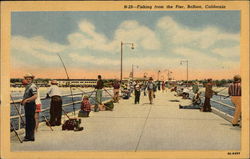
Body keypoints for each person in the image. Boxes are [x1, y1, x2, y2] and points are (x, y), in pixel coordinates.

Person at [21, 73, 37, 141]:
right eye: (27, 79)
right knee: (28, 121)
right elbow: (28, 95)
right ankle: (28, 136)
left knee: (30, 121)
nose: (28, 80)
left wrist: (27, 100)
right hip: (27, 105)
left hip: (31, 105)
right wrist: (23, 100)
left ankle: (30, 137)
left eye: (29, 79)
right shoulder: (28, 86)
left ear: (32, 79)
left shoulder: (32, 86)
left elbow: (35, 96)